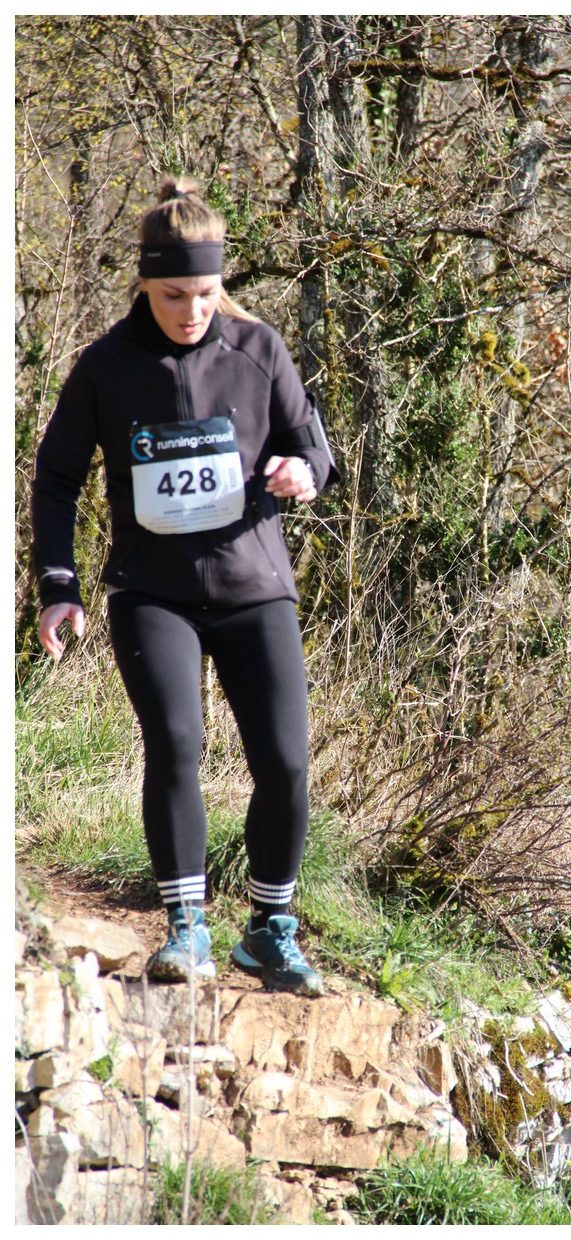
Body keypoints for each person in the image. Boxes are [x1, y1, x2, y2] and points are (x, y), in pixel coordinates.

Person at [31, 177, 338, 996]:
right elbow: (55, 477)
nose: (192, 310)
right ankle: (186, 928)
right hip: (152, 592)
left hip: (253, 587)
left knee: (286, 763)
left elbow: (315, 447)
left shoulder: (259, 349)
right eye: (173, 295)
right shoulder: (105, 366)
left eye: (206, 293)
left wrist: (303, 472)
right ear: (144, 283)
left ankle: (270, 931)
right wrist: (58, 585)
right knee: (175, 744)